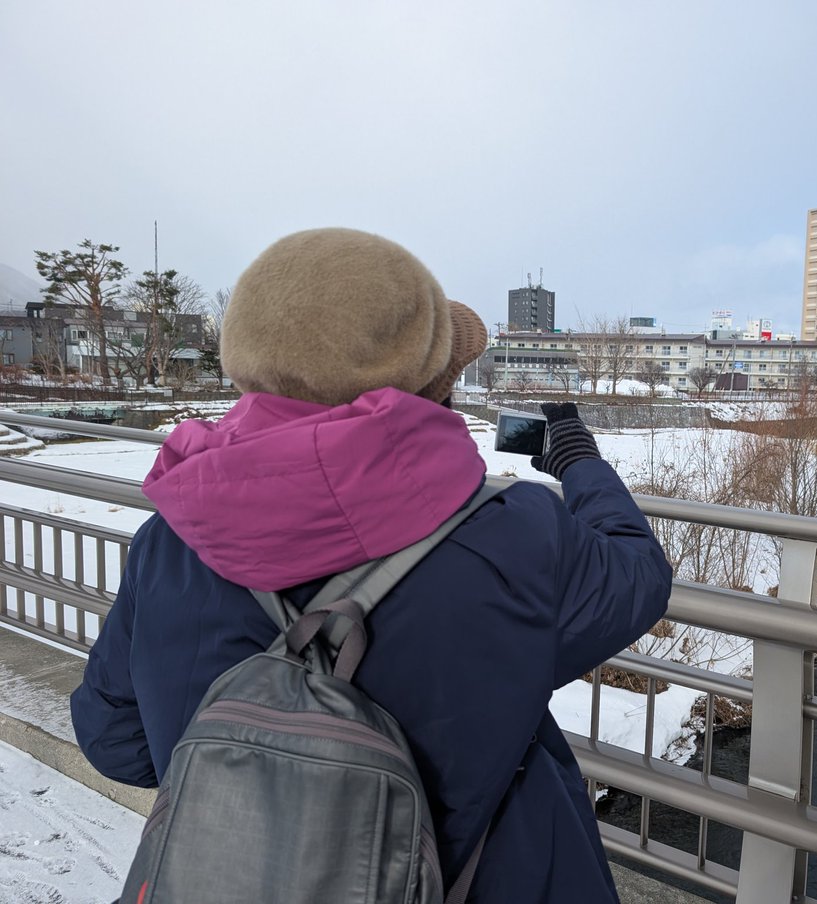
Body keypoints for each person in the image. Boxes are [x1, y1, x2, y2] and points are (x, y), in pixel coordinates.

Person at [70, 227, 673, 902]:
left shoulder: (171, 539)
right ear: (426, 385)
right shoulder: (515, 537)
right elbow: (637, 578)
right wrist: (579, 462)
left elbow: (114, 739)